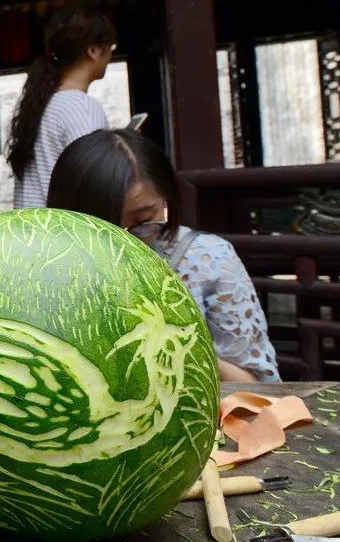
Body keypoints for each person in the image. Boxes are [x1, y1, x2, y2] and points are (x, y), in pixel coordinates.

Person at [46, 129, 281, 382]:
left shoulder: (209, 260)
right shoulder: (50, 268)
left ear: (166, 196)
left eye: (143, 220)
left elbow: (255, 386)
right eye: (106, 229)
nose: (126, 240)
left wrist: (175, 347)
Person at [7, 7, 117, 209]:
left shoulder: (39, 104)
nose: (111, 54)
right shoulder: (81, 107)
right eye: (111, 47)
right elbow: (95, 186)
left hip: (30, 233)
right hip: (63, 235)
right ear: (93, 51)